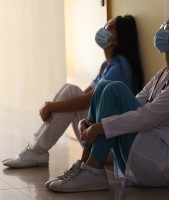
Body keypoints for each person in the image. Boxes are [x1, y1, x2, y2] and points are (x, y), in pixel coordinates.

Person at [47, 12, 169, 192]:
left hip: (164, 164)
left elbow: (148, 117)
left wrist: (98, 128)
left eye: (167, 28)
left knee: (115, 89)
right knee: (103, 87)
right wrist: (91, 123)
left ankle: (92, 171)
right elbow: (135, 102)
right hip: (147, 151)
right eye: (162, 26)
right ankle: (85, 166)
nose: (160, 30)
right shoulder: (164, 73)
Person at [3, 15, 144, 168]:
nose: (103, 30)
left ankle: (38, 151)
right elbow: (83, 96)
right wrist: (55, 106)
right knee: (70, 90)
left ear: (118, 38)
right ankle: (37, 150)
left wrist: (51, 106)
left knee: (71, 92)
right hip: (97, 138)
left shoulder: (121, 66)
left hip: (110, 145)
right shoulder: (106, 65)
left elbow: (86, 100)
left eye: (109, 27)